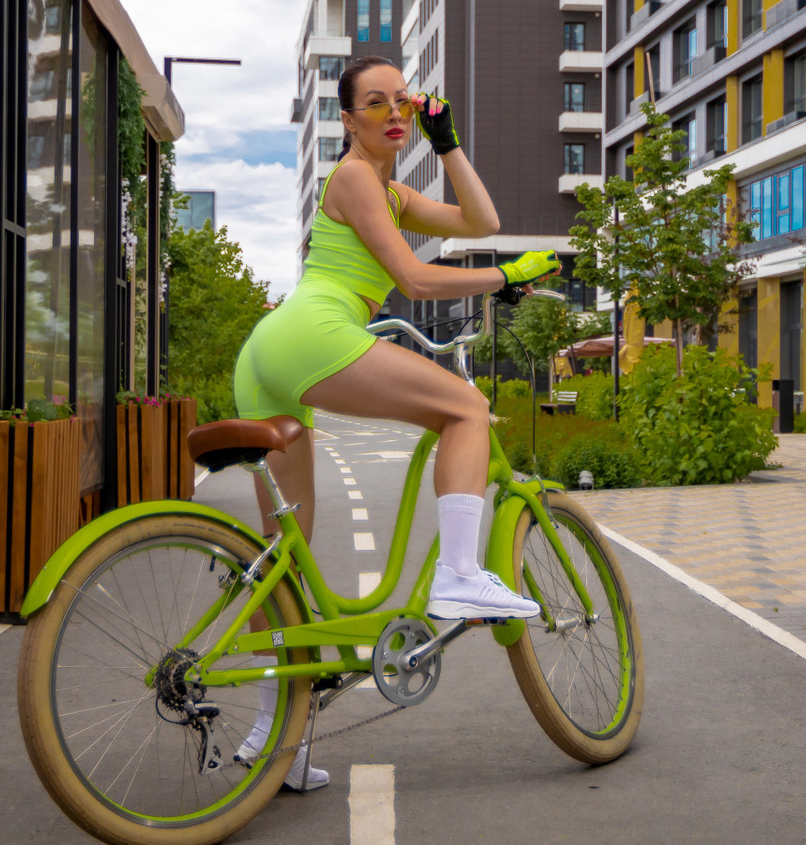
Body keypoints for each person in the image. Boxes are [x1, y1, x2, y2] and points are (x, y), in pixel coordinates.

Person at [224, 56, 560, 786]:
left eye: (403, 100)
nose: (394, 112)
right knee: (467, 408)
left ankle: (273, 739)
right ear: (348, 121)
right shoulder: (352, 177)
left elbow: (482, 220)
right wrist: (507, 275)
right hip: (314, 332)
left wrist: (448, 144)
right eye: (375, 102)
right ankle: (460, 575)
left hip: (268, 356)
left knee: (283, 556)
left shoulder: (392, 193)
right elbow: (413, 279)